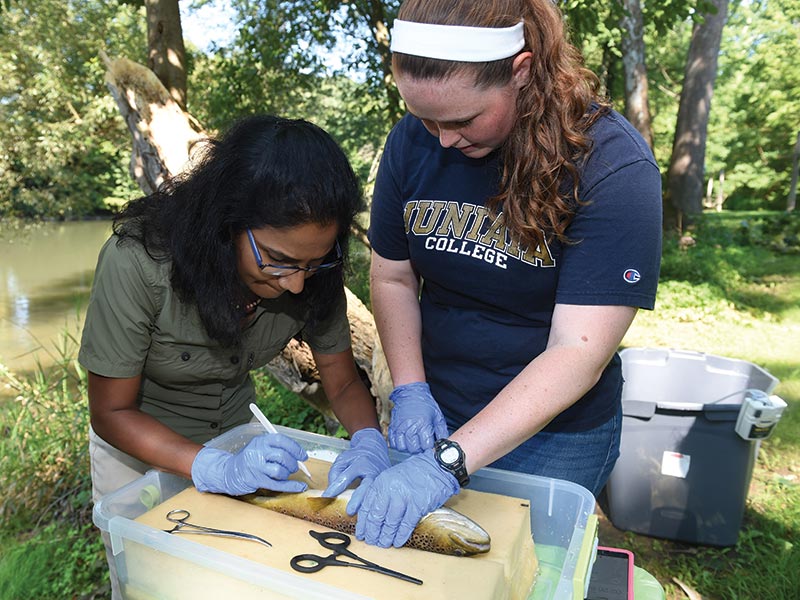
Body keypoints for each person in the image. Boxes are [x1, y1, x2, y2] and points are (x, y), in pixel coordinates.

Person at [327, 0, 663, 550]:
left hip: (553, 434)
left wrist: (451, 463)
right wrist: (411, 389)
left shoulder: (612, 167)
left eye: (461, 120)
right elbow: (391, 278)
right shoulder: (412, 141)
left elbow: (577, 352)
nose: (441, 139)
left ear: (523, 71)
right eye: (424, 118)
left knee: (519, 567)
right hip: (436, 407)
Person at [79, 114, 390, 598]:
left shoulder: (312, 274)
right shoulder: (138, 261)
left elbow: (344, 382)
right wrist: (212, 469)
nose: (296, 283)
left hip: (237, 441)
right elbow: (111, 412)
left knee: (233, 579)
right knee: (151, 583)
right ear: (227, 222)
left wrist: (370, 441)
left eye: (313, 262)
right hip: (138, 454)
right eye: (278, 259)